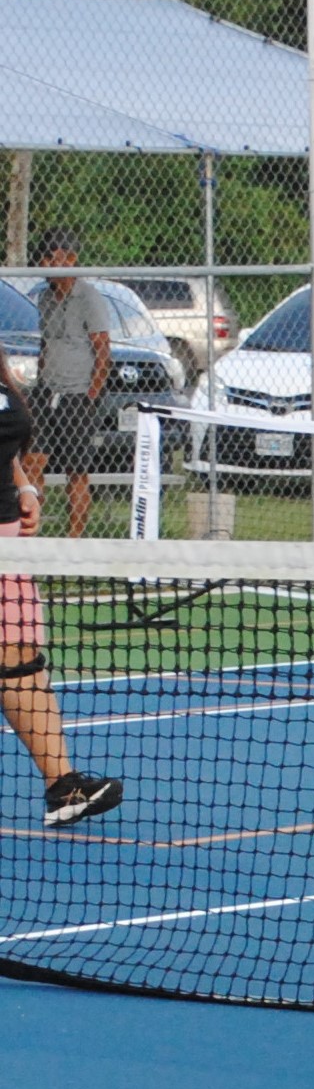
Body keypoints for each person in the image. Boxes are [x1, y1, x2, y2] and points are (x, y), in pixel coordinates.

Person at [0, 340, 123, 826]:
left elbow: (6, 443)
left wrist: (26, 487)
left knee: (22, 657)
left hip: (9, 539)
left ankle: (64, 788)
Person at [23, 228, 111, 540]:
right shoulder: (45, 298)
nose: (45, 262)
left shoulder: (89, 298)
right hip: (47, 391)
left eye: (52, 256)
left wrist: (92, 394)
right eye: (43, 256)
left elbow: (102, 349)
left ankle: (74, 541)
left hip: (78, 394)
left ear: (70, 259)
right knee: (33, 461)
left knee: (76, 469)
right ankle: (33, 532)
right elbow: (47, 344)